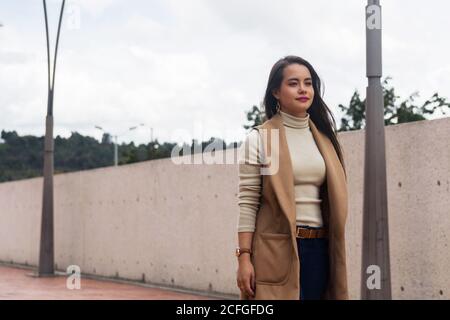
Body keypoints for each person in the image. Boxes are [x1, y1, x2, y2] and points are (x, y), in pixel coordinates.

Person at [235, 55, 349, 300]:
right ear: (276, 91)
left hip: (321, 248)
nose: (303, 89)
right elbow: (248, 202)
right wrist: (244, 257)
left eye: (308, 83)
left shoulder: (325, 140)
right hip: (278, 250)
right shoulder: (260, 139)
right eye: (293, 83)